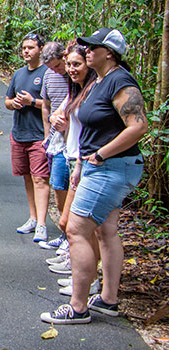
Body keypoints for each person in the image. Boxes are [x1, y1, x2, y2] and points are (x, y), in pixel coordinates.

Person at [41, 28, 147, 324]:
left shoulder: (120, 81)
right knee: (106, 230)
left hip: (111, 167)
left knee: (76, 230)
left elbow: (138, 126)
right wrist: (80, 165)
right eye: (85, 46)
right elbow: (90, 127)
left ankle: (77, 307)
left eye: (92, 47)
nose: (86, 51)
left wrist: (101, 155)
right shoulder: (99, 81)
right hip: (95, 166)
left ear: (109, 52)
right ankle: (108, 299)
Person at [45, 43, 100, 296]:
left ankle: (89, 279)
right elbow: (60, 113)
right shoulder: (76, 89)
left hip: (89, 161)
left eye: (76, 64)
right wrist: (56, 118)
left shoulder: (95, 89)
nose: (70, 69)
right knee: (75, 225)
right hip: (74, 158)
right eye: (68, 65)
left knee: (81, 226)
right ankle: (84, 276)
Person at [5, 33, 51, 243]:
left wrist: (33, 102)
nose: (26, 51)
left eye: (31, 47)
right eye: (24, 47)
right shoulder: (18, 74)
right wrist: (13, 103)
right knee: (27, 177)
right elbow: (7, 100)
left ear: (40, 49)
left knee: (40, 178)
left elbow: (56, 103)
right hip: (19, 133)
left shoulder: (49, 73)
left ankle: (42, 224)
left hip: (39, 135)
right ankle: (32, 218)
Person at [39, 41, 70, 249]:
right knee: (58, 188)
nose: (56, 71)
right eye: (51, 68)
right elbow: (46, 105)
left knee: (71, 190)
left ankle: (72, 238)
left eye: (58, 66)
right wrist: (46, 134)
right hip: (56, 140)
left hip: (74, 140)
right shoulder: (50, 75)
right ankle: (66, 236)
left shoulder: (76, 74)